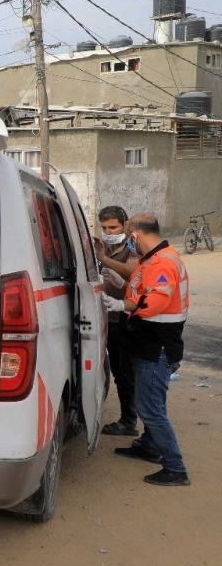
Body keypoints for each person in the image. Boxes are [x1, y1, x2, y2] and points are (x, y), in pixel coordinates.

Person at [104, 213, 191, 486]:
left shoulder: (163, 262)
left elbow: (154, 301)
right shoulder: (154, 258)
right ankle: (150, 447)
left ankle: (176, 468)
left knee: (150, 407)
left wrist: (121, 306)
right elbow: (137, 286)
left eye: (129, 233)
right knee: (152, 400)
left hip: (158, 346)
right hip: (149, 342)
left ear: (136, 234)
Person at [93, 206, 140, 437]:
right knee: (115, 369)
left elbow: (132, 272)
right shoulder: (105, 247)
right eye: (104, 227)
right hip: (106, 317)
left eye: (113, 227)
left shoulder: (132, 246)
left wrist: (103, 260)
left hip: (124, 318)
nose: (109, 231)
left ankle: (129, 420)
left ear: (125, 224)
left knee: (125, 371)